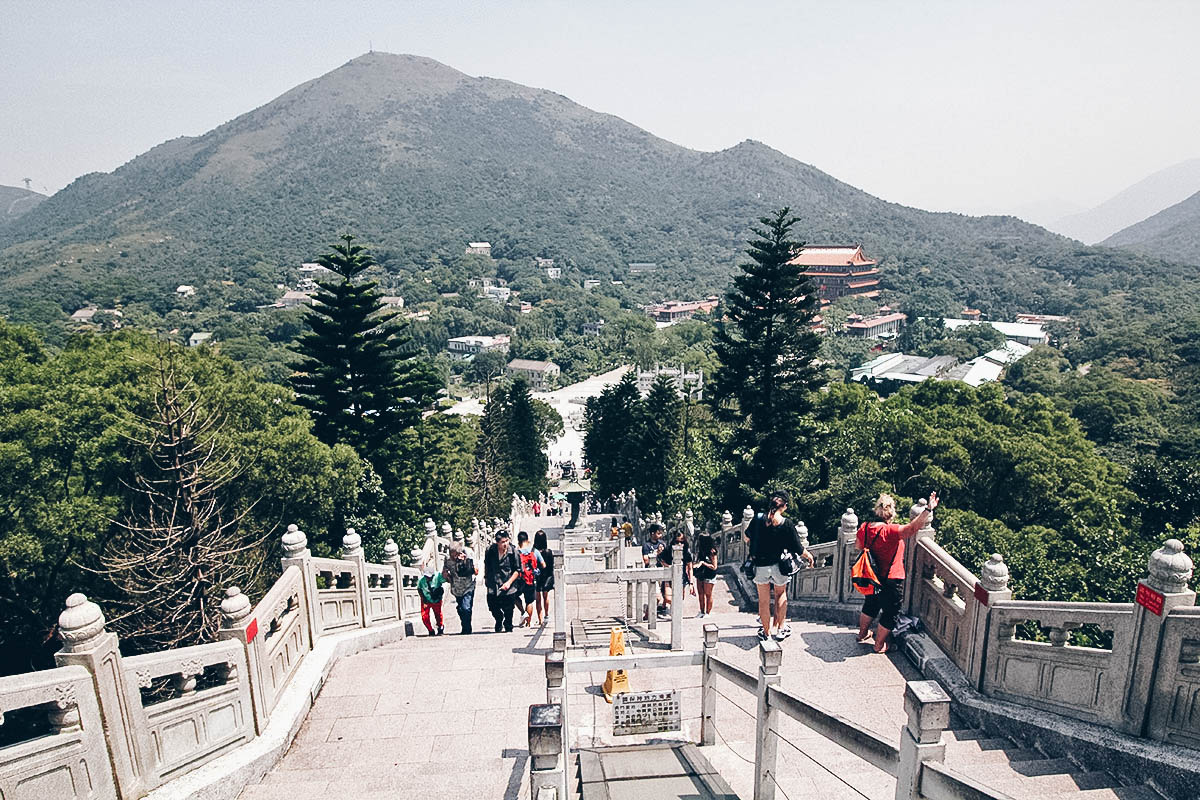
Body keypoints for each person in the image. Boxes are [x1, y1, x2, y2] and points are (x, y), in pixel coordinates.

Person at [857, 491, 939, 653]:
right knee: (891, 611)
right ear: (891, 513)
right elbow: (913, 528)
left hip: (871, 576)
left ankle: (862, 634)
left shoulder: (865, 528)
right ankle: (879, 645)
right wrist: (928, 509)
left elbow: (858, 547)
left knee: (871, 604)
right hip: (891, 578)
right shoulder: (892, 531)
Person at [745, 489, 814, 642]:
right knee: (780, 595)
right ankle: (781, 629)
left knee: (763, 600)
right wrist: (809, 556)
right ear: (784, 506)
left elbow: (746, 537)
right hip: (780, 566)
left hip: (761, 566)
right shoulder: (787, 524)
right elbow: (797, 547)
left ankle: (766, 632)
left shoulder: (757, 519)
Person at [484, 529, 521, 632]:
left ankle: (508, 625)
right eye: (502, 542)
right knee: (492, 606)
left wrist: (509, 583)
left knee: (509, 608)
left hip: (509, 583)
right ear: (497, 542)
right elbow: (486, 564)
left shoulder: (513, 552)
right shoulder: (490, 551)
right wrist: (486, 577)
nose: (505, 544)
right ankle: (499, 619)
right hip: (493, 583)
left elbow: (518, 570)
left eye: (506, 541)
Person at [657, 527, 694, 616]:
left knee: (679, 598)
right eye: (677, 542)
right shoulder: (668, 550)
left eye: (681, 542)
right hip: (669, 577)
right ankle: (673, 611)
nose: (679, 544)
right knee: (669, 598)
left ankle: (675, 615)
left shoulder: (686, 553)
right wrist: (667, 566)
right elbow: (660, 558)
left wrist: (691, 583)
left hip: (682, 578)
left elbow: (690, 568)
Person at [442, 541, 478, 634]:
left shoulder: (468, 553)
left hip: (468, 586)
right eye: (452, 555)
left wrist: (465, 562)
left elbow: (476, 571)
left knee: (466, 607)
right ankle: (465, 627)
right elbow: (445, 572)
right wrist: (446, 575)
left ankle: (467, 628)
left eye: (456, 555)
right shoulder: (447, 559)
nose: (454, 557)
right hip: (456, 588)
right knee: (461, 609)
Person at [515, 531, 546, 627]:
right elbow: (543, 565)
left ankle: (523, 612)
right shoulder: (534, 551)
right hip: (531, 579)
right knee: (529, 601)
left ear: (518, 541)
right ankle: (528, 623)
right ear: (527, 540)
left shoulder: (516, 552)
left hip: (519, 579)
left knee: (514, 597)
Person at [692, 528, 718, 618]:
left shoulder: (712, 551)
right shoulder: (699, 550)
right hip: (700, 574)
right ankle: (702, 611)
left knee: (708, 594)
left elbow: (714, 567)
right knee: (700, 594)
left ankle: (708, 612)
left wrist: (703, 563)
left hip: (709, 574)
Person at [417, 561, 446, 636]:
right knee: (424, 616)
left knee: (438, 614)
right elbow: (419, 588)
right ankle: (430, 630)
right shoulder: (421, 580)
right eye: (426, 577)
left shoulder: (438, 576)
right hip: (426, 599)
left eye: (429, 577)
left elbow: (445, 580)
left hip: (436, 599)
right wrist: (423, 598)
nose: (428, 578)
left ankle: (440, 626)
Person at [533, 530, 555, 626]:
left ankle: (540, 618)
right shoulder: (549, 552)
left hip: (537, 577)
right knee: (545, 596)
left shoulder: (533, 552)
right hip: (547, 576)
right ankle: (546, 616)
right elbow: (551, 566)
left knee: (538, 599)